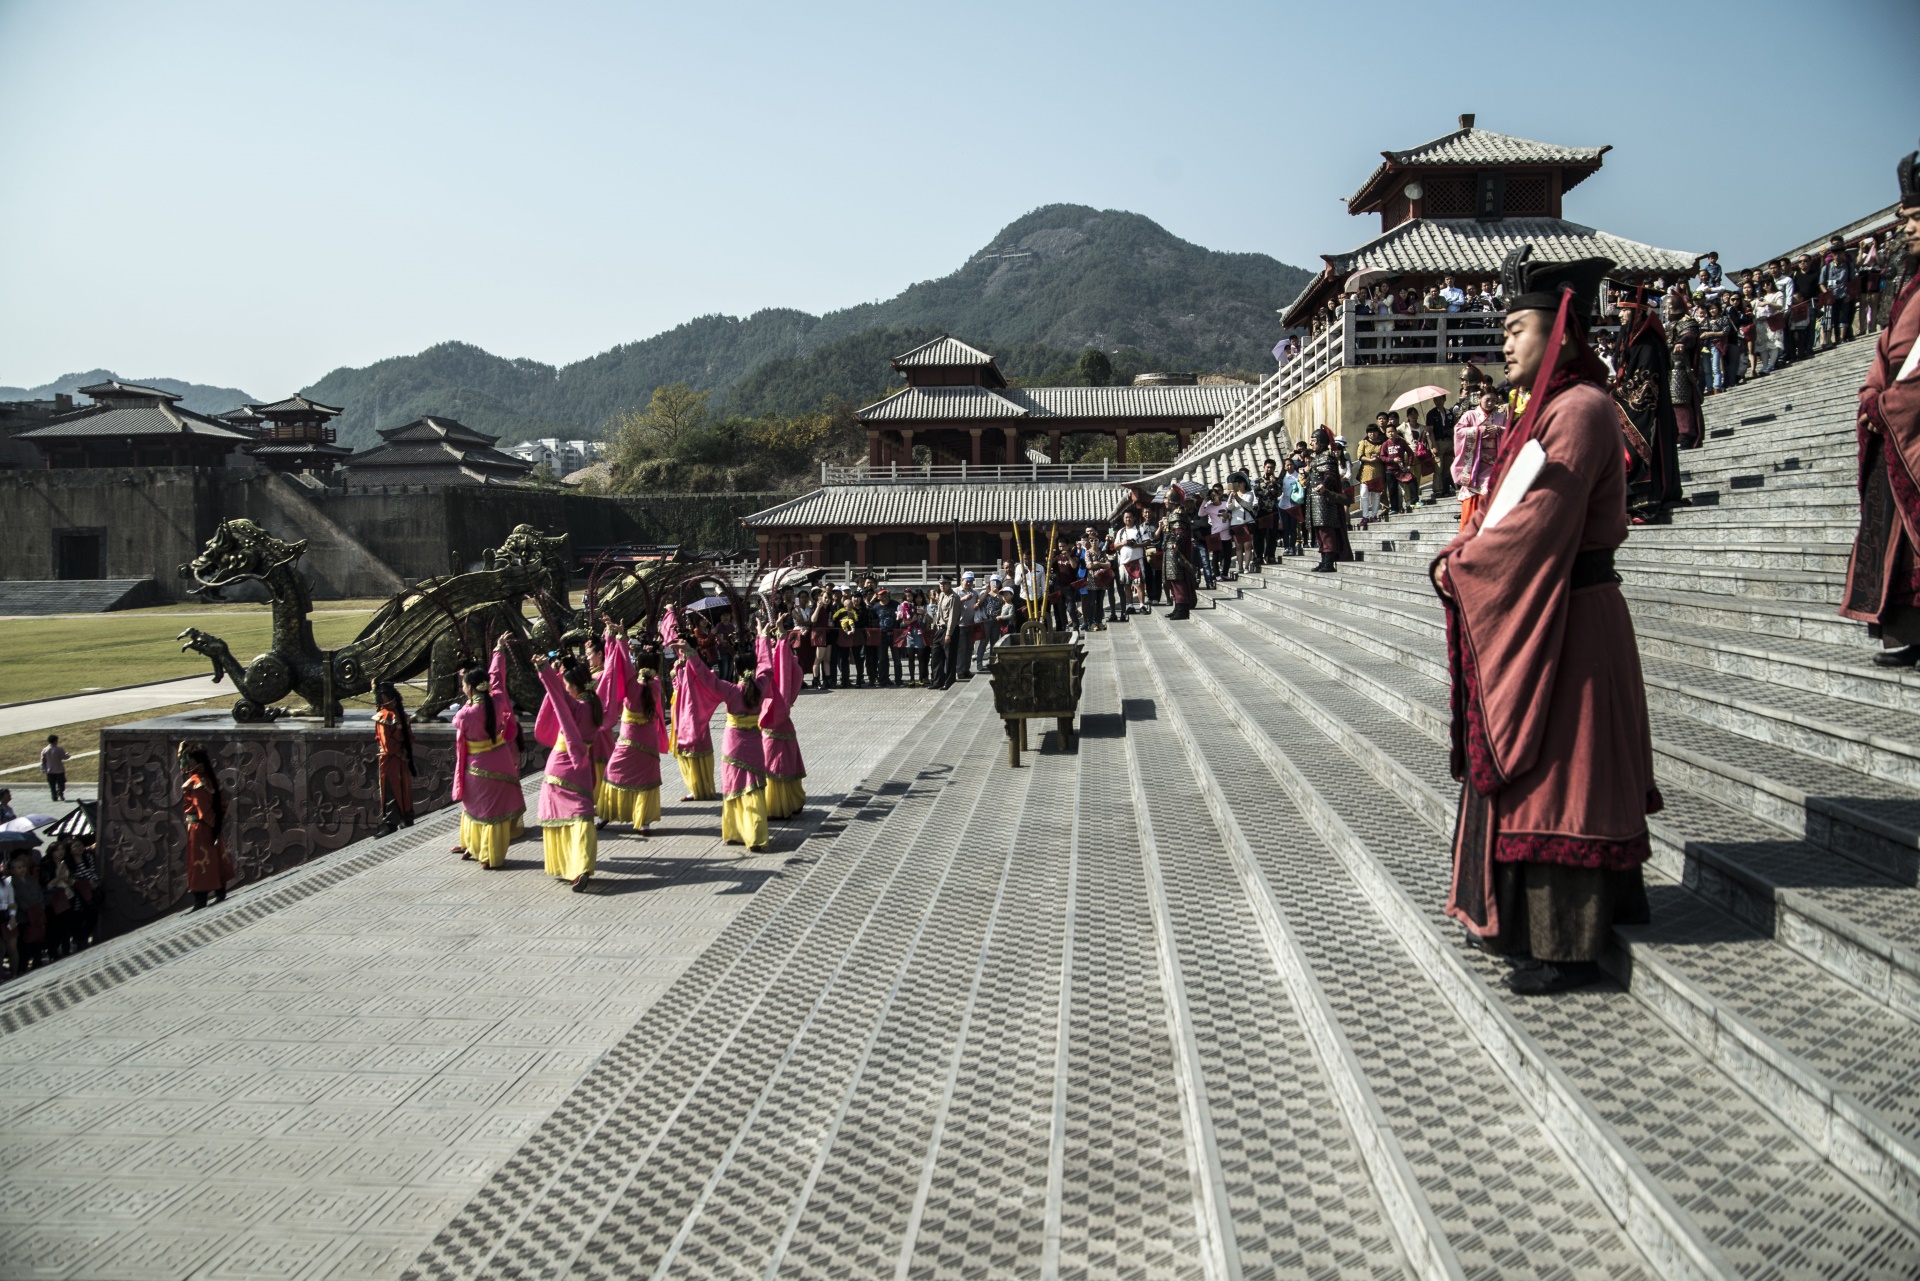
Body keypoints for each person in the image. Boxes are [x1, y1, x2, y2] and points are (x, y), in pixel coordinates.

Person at [1431, 245, 1656, 995]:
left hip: (1574, 620)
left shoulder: (1581, 410)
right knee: (1560, 772)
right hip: (1561, 609)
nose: (1504, 342)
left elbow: (1538, 528)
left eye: (1517, 327)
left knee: (1562, 777)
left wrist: (1462, 564)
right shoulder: (1555, 409)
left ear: (1559, 328)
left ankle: (1565, 941)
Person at [1840, 147, 1920, 669]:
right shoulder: (1910, 285)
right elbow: (1886, 348)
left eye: (1914, 218)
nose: (1906, 228)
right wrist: (1874, 392)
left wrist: (1893, 401)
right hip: (1894, 412)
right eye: (1904, 219)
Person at [676, 641, 771, 851]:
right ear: (754, 668)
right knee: (753, 787)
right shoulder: (762, 685)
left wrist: (691, 653)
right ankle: (755, 833)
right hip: (755, 743)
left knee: (734, 786)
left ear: (736, 670)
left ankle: (735, 832)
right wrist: (763, 639)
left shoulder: (730, 690)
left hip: (733, 745)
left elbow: (706, 678)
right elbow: (768, 668)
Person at [451, 638, 524, 868]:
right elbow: (498, 679)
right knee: (495, 811)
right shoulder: (498, 701)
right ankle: (490, 854)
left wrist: (497, 651)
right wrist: (498, 651)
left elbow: (458, 721)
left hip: (476, 767)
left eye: (464, 684)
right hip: (501, 761)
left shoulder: (464, 715)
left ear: (471, 687)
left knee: (475, 808)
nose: (462, 687)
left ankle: (476, 848)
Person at [1612, 287, 1685, 518]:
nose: (1620, 316)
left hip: (1645, 409)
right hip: (1627, 401)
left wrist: (1615, 395)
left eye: (1624, 311)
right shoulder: (1631, 338)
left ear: (1637, 312)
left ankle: (1644, 502)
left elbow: (1645, 382)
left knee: (1641, 452)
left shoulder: (1648, 342)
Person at [535, 657, 600, 891]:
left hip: (561, 764)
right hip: (582, 767)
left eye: (567, 684)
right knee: (582, 815)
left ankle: (568, 865)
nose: (565, 688)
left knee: (559, 815)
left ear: (576, 686)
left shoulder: (576, 707)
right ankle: (582, 866)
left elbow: (556, 696)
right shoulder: (595, 705)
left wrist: (545, 671)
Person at [599, 625, 668, 835]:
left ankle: (607, 814)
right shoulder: (656, 685)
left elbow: (623, 666)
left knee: (614, 772)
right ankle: (644, 821)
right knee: (646, 779)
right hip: (648, 739)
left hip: (628, 738)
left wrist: (619, 638)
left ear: (638, 665)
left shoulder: (632, 685)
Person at [757, 630, 807, 819]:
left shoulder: (784, 674)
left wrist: (776, 640)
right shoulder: (793, 666)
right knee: (785, 764)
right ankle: (794, 800)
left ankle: (777, 806)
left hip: (774, 722)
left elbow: (775, 667)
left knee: (774, 766)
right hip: (783, 724)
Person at [180, 745, 231, 911]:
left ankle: (200, 899)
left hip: (200, 828)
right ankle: (219, 890)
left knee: (198, 863)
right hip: (210, 826)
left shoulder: (197, 782)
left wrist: (211, 824)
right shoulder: (211, 780)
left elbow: (202, 810)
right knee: (214, 859)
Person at [373, 682, 416, 836]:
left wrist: (395, 751)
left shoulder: (384, 716)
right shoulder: (402, 714)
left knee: (390, 789)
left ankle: (390, 823)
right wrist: (402, 751)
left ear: (382, 696)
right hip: (403, 757)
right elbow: (410, 738)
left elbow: (387, 745)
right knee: (404, 787)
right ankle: (407, 817)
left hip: (389, 759)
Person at [1307, 426, 1352, 571]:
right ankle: (1323, 560)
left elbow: (1331, 476)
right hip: (1314, 500)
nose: (1311, 444)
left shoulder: (1328, 457)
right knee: (1319, 531)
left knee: (1326, 531)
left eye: (1314, 441)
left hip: (1325, 501)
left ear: (1321, 441)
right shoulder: (1316, 458)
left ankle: (1329, 561)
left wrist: (1324, 485)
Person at [1114, 510, 1151, 612]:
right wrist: (1123, 543)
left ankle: (1142, 605)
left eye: (1130, 517)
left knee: (1139, 584)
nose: (1128, 519)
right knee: (1127, 584)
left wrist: (1137, 545)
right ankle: (1130, 605)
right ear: (1123, 519)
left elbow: (1147, 541)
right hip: (1124, 562)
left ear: (1134, 518)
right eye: (1126, 517)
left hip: (1137, 561)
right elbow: (1115, 546)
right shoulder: (1121, 532)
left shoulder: (1140, 529)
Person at [1355, 422, 1387, 527]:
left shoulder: (1383, 443)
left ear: (1378, 433)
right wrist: (1370, 460)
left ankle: (1374, 515)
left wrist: (1378, 458)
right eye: (1370, 432)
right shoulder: (1363, 442)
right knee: (1364, 494)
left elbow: (1385, 455)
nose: (1372, 434)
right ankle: (1365, 516)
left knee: (1376, 495)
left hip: (1378, 471)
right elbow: (1360, 456)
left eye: (1374, 432)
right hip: (1366, 471)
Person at [39, 735, 69, 802]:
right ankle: (60, 791)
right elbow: (64, 757)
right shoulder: (59, 749)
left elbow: (42, 760)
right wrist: (68, 755)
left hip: (49, 771)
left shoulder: (45, 750)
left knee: (52, 785)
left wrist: (43, 768)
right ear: (55, 741)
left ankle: (54, 796)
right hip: (59, 770)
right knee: (61, 783)